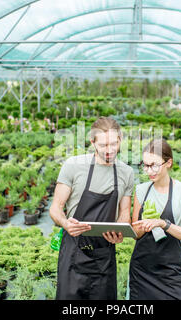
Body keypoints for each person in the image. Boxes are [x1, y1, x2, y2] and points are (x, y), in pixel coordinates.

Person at [50, 117, 134, 300]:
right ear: (92, 143)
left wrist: (120, 230)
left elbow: (125, 212)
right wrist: (65, 223)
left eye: (114, 144)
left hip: (104, 256)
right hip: (73, 253)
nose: (110, 150)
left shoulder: (126, 172)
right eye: (104, 145)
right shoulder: (73, 166)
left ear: (120, 140)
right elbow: (55, 208)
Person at [128, 138, 181, 300]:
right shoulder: (141, 191)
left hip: (171, 273)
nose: (149, 171)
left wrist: (163, 223)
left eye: (154, 165)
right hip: (142, 271)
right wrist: (140, 226)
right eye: (145, 165)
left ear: (169, 163)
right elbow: (136, 234)